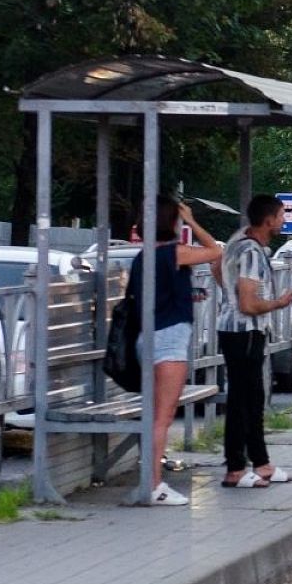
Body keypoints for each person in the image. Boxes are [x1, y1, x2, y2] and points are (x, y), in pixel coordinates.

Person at [131, 196, 222, 506]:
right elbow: (215, 251)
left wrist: (188, 294)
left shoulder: (143, 257)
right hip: (170, 342)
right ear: (172, 221)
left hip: (147, 337)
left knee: (155, 415)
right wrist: (193, 221)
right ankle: (154, 485)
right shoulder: (173, 253)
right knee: (163, 418)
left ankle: (151, 481)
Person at [215, 194, 292, 488]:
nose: (283, 220)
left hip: (234, 329)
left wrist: (228, 296)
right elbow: (249, 304)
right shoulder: (251, 253)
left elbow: (216, 267)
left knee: (251, 398)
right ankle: (236, 468)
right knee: (244, 400)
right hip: (245, 331)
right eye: (280, 216)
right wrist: (279, 303)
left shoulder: (238, 242)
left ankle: (261, 464)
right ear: (269, 220)